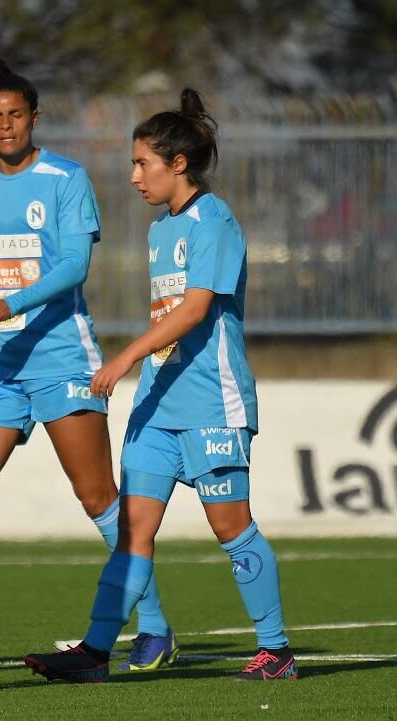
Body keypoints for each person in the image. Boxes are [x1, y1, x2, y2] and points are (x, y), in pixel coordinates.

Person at [24, 89, 298, 682]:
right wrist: (141, 366)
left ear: (178, 164)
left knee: (230, 527)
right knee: (132, 529)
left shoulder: (215, 221)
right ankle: (95, 654)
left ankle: (275, 651)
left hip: (211, 406)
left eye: (142, 163)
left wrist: (125, 356)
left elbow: (195, 310)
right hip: (157, 408)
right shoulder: (158, 230)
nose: (132, 176)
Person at [0, 56, 177, 672]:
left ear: (34, 118)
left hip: (60, 362)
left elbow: (74, 268)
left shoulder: (65, 178)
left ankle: (155, 627)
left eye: (17, 115)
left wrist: (8, 302)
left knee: (98, 497)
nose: (6, 125)